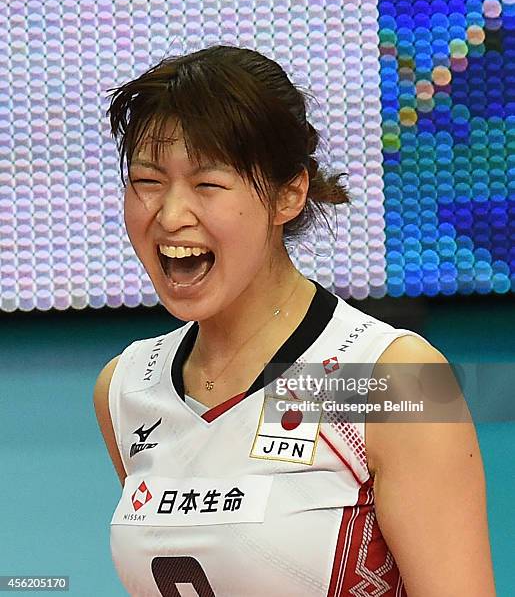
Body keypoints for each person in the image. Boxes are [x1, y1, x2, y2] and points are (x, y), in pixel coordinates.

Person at [94, 45, 496, 596]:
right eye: (147, 182)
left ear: (290, 193)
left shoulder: (392, 376)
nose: (169, 215)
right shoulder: (126, 385)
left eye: (208, 184)